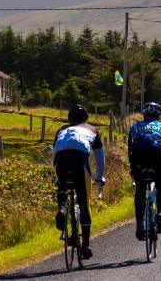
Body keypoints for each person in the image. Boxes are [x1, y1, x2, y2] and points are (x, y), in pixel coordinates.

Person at [53, 104, 105, 259]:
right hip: (79, 161)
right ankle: (86, 245)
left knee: (62, 184)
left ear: (69, 118)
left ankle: (62, 207)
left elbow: (55, 152)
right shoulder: (92, 130)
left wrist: (57, 175)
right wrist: (99, 177)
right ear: (85, 118)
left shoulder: (61, 130)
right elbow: (100, 158)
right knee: (84, 203)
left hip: (61, 161)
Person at [128, 101, 161, 240]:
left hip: (138, 158)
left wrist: (132, 168)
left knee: (140, 192)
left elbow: (130, 149)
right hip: (156, 156)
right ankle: (160, 213)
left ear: (144, 114)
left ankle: (139, 226)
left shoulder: (135, 126)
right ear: (159, 115)